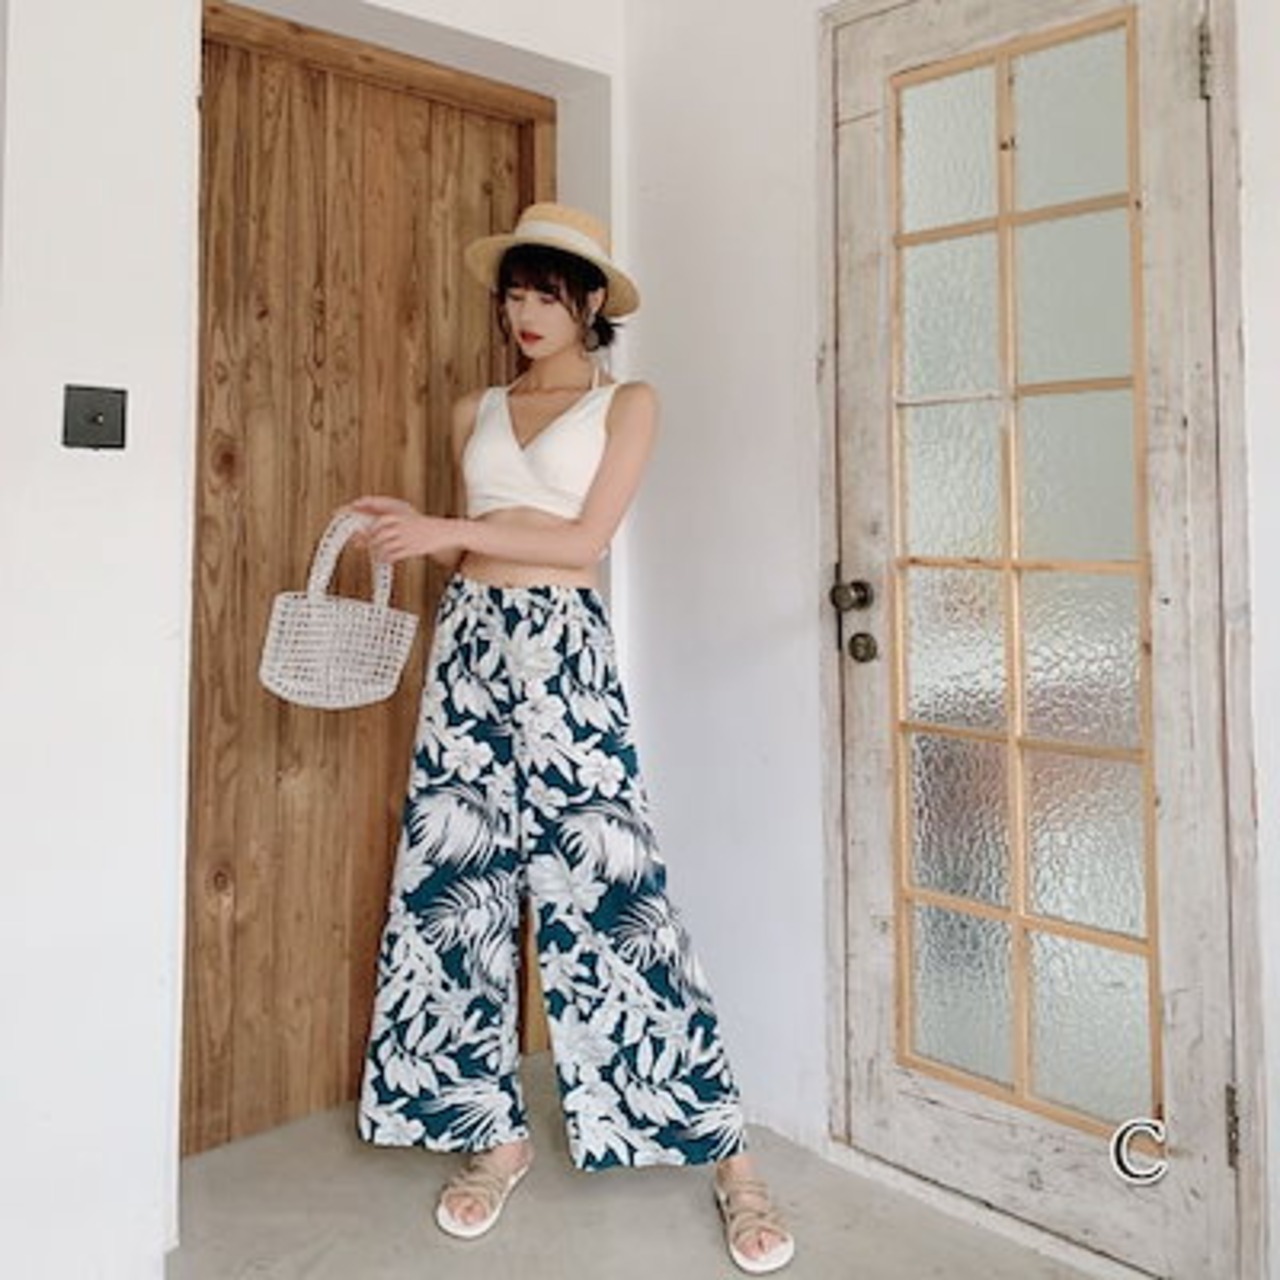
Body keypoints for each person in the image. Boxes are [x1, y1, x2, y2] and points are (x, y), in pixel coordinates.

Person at [349, 202, 794, 1275]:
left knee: (613, 886)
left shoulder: (626, 402)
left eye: (545, 293)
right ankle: (489, 1134)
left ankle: (728, 1152)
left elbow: (585, 540)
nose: (525, 312)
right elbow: (488, 545)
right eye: (513, 292)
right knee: (452, 881)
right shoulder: (476, 407)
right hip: (471, 640)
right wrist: (419, 531)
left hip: (563, 646)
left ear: (590, 300)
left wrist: (453, 527)